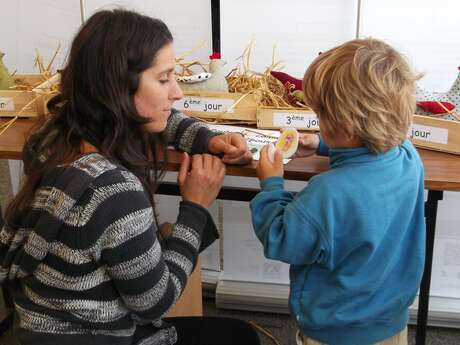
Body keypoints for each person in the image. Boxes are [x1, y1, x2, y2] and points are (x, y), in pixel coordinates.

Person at [0, 9, 260, 345]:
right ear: (120, 87)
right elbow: (156, 303)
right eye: (164, 78)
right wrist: (195, 208)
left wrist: (207, 139)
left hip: (40, 328)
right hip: (102, 337)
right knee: (239, 336)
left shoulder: (52, 136)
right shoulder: (114, 191)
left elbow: (159, 119)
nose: (177, 92)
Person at [250, 38, 425, 345]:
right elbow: (368, 145)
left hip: (334, 331)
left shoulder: (328, 192)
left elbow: (281, 239)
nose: (318, 121)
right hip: (390, 322)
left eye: (321, 116)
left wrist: (271, 184)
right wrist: (320, 143)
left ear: (345, 125)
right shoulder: (408, 157)